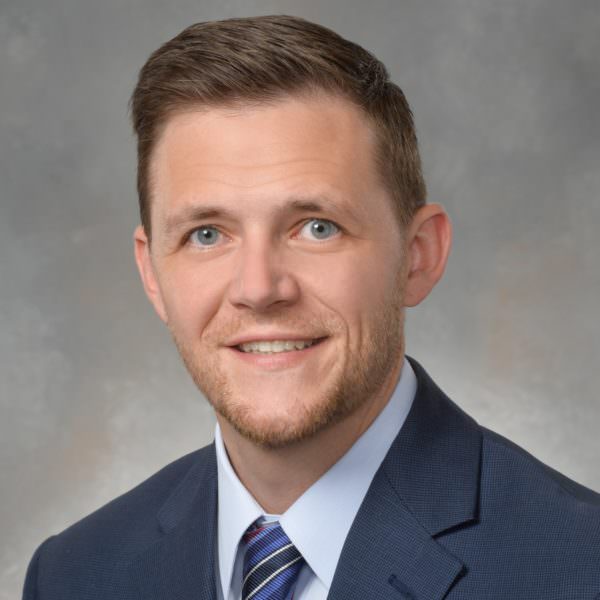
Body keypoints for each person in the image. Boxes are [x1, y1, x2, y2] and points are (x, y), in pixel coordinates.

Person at [23, 15, 600, 600]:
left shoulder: (582, 566)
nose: (259, 287)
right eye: (206, 234)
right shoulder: (73, 575)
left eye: (317, 227)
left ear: (418, 257)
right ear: (152, 273)